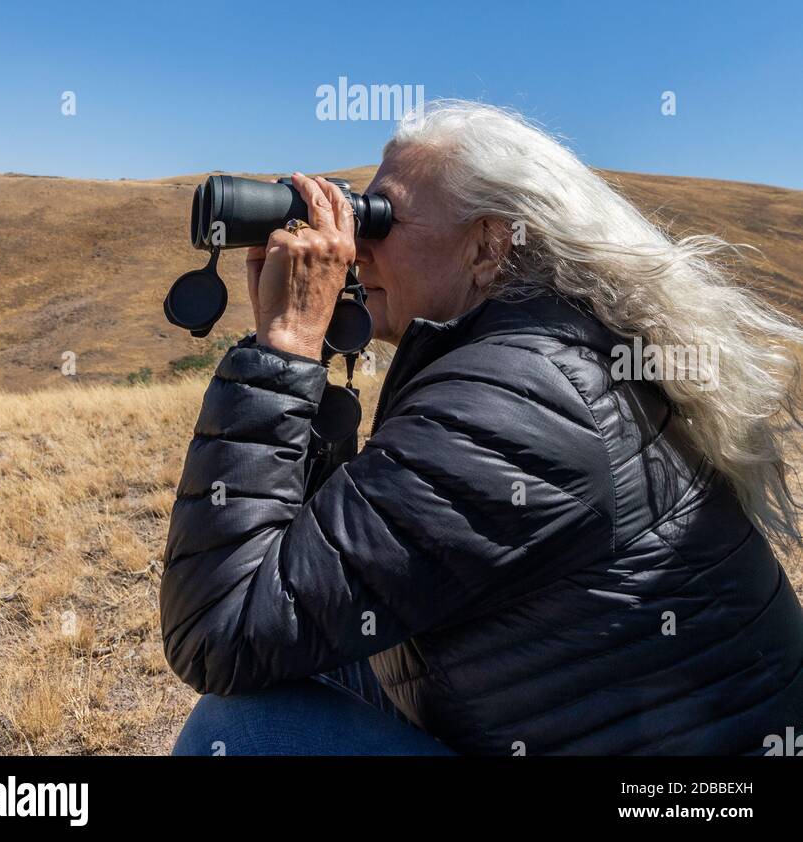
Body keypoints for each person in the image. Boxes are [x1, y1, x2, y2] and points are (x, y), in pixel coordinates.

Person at [161, 100, 803, 755]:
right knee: (312, 653)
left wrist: (284, 350)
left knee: (243, 735)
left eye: (379, 218)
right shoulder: (546, 350)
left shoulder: (519, 401)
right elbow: (317, 565)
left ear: (490, 249)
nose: (355, 246)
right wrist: (307, 350)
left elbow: (220, 626)